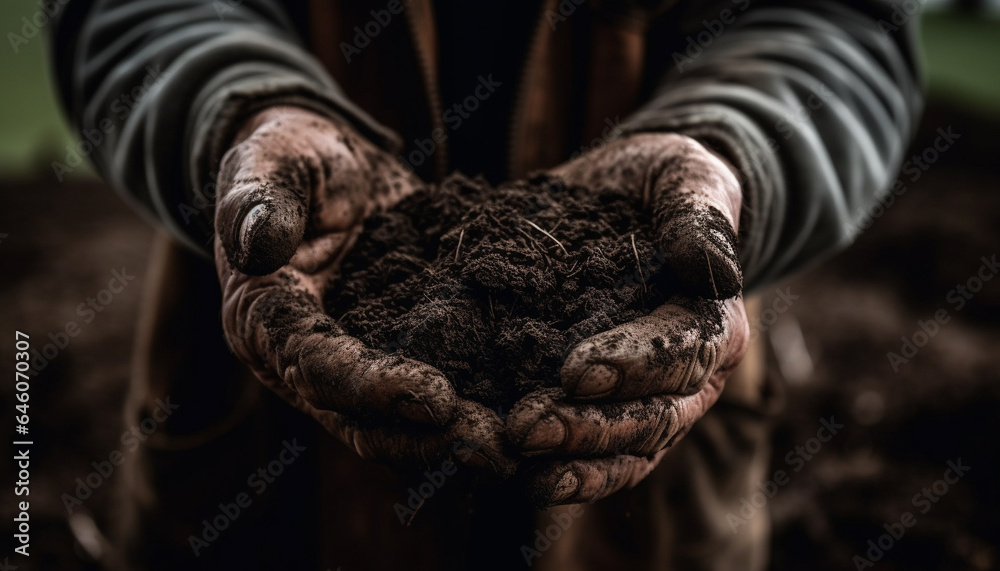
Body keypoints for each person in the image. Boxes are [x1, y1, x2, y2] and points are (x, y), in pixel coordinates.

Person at [50, 0, 921, 569]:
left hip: (650, 450)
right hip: (267, 433)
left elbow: (844, 27)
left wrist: (733, 146)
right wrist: (238, 105)